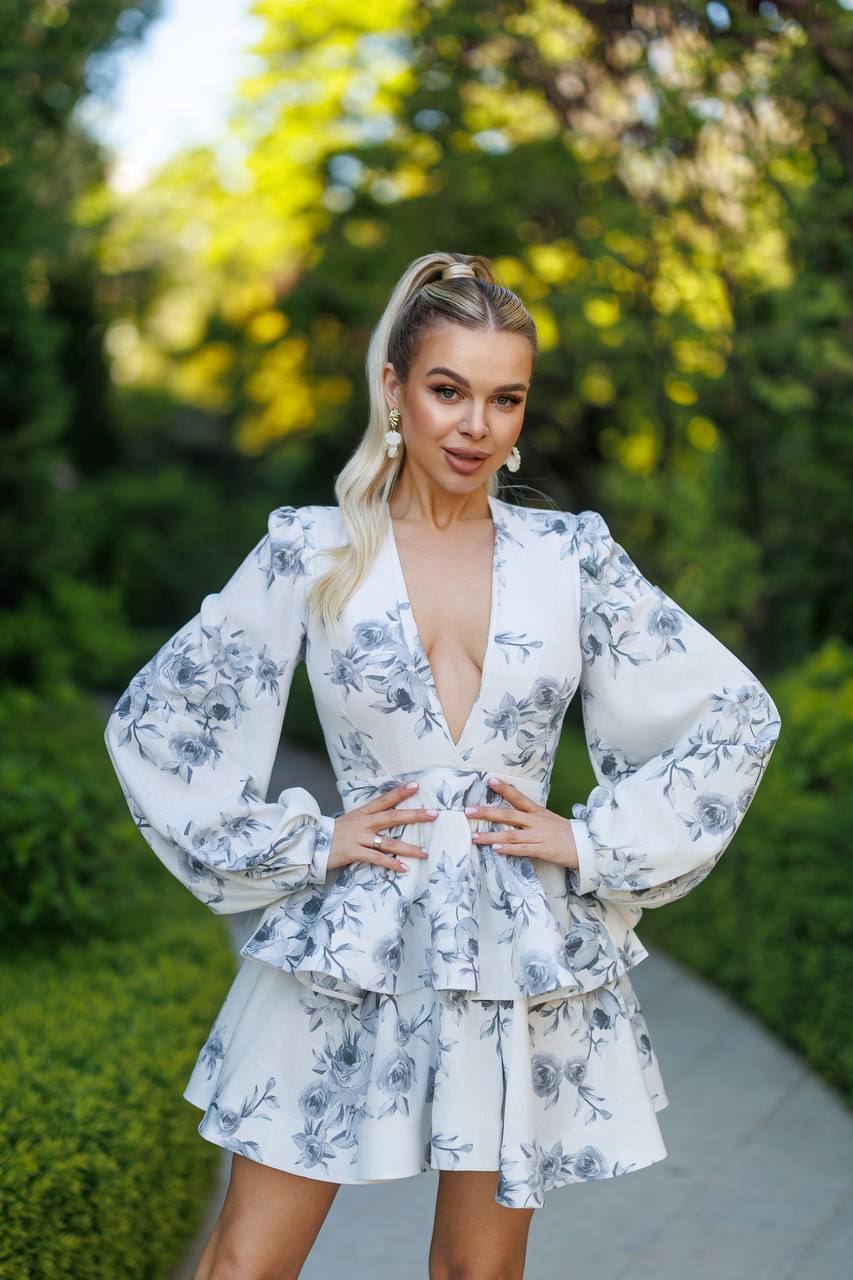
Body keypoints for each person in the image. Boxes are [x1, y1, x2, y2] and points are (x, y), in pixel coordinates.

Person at [103, 251, 783, 1280]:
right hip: (353, 932)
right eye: (448, 390)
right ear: (394, 390)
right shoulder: (312, 548)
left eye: (504, 398)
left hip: (514, 947)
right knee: (243, 1264)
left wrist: (591, 839)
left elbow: (733, 711)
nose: (476, 425)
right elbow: (159, 719)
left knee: (477, 1274)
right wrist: (309, 838)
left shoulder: (572, 557)